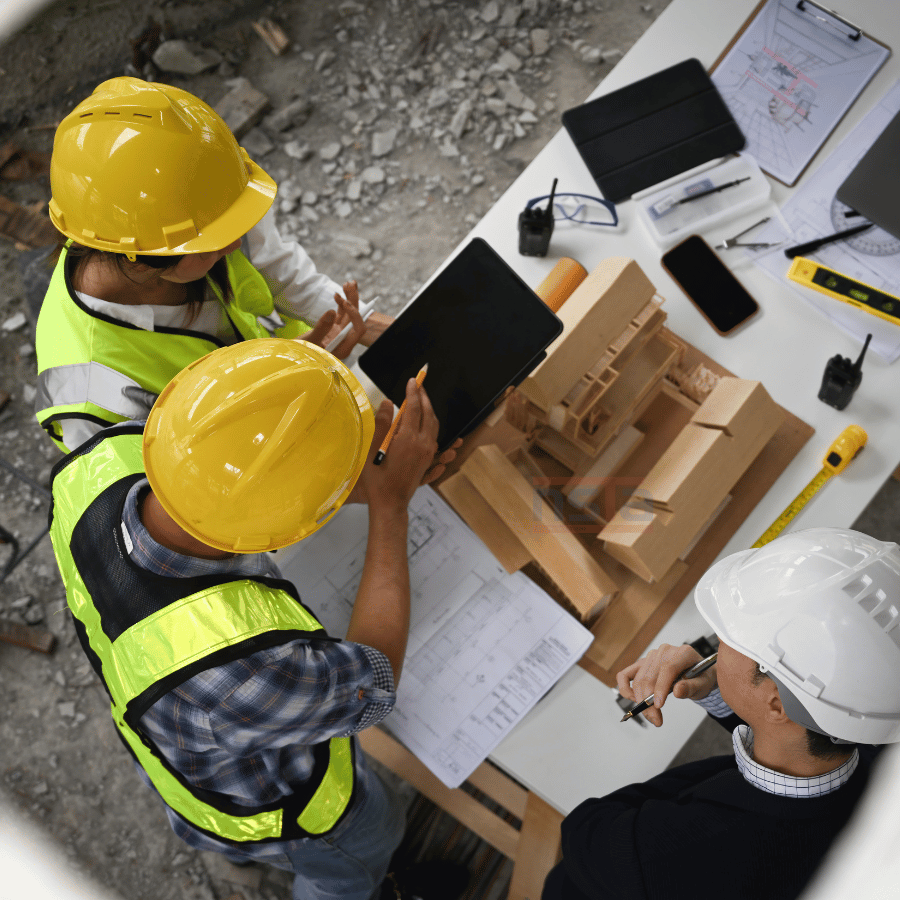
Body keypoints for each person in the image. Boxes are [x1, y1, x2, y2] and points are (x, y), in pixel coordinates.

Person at [48, 338, 459, 900]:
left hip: (164, 739)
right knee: (361, 853)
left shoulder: (103, 461)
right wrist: (391, 507)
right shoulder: (239, 674)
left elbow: (230, 473)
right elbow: (374, 681)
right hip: (282, 813)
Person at [36, 76, 392, 453]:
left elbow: (280, 270)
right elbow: (185, 494)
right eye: (211, 245)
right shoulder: (91, 394)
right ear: (137, 261)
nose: (236, 243)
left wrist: (374, 326)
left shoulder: (201, 199)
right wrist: (284, 384)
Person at [542, 527, 900, 900]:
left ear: (776, 701)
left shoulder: (660, 854)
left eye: (731, 640)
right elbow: (793, 728)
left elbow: (584, 831)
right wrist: (720, 685)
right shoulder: (875, 757)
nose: (716, 642)